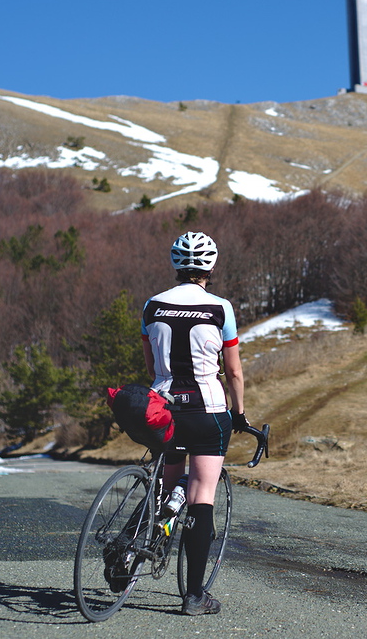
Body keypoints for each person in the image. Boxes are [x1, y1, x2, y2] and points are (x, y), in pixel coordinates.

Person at [141, 231, 248, 616]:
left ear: (175, 265)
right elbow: (233, 371)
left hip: (163, 410)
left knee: (168, 486)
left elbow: (152, 365)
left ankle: (144, 541)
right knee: (202, 496)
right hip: (207, 412)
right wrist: (239, 413)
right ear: (211, 266)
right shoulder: (221, 308)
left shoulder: (152, 305)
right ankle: (194, 596)